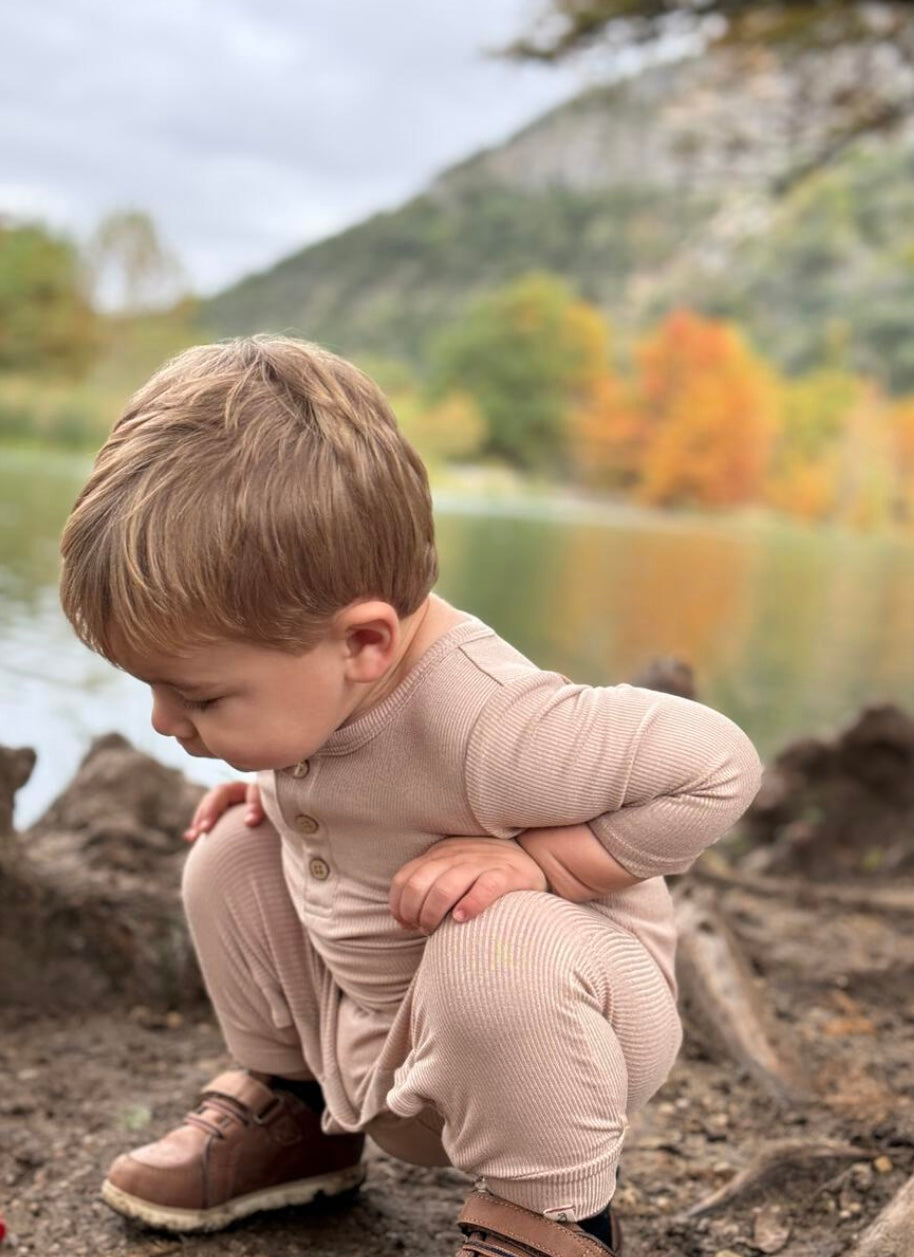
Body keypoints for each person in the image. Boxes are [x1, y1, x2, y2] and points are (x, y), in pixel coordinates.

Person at [59, 335, 762, 1256]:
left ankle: (553, 1215)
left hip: (551, 1044)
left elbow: (721, 763)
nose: (161, 722)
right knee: (228, 853)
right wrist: (281, 796)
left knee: (500, 942)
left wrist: (537, 863)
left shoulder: (496, 725)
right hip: (380, 1025)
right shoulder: (328, 666)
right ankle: (298, 1116)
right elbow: (366, 776)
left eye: (200, 697)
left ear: (365, 643)